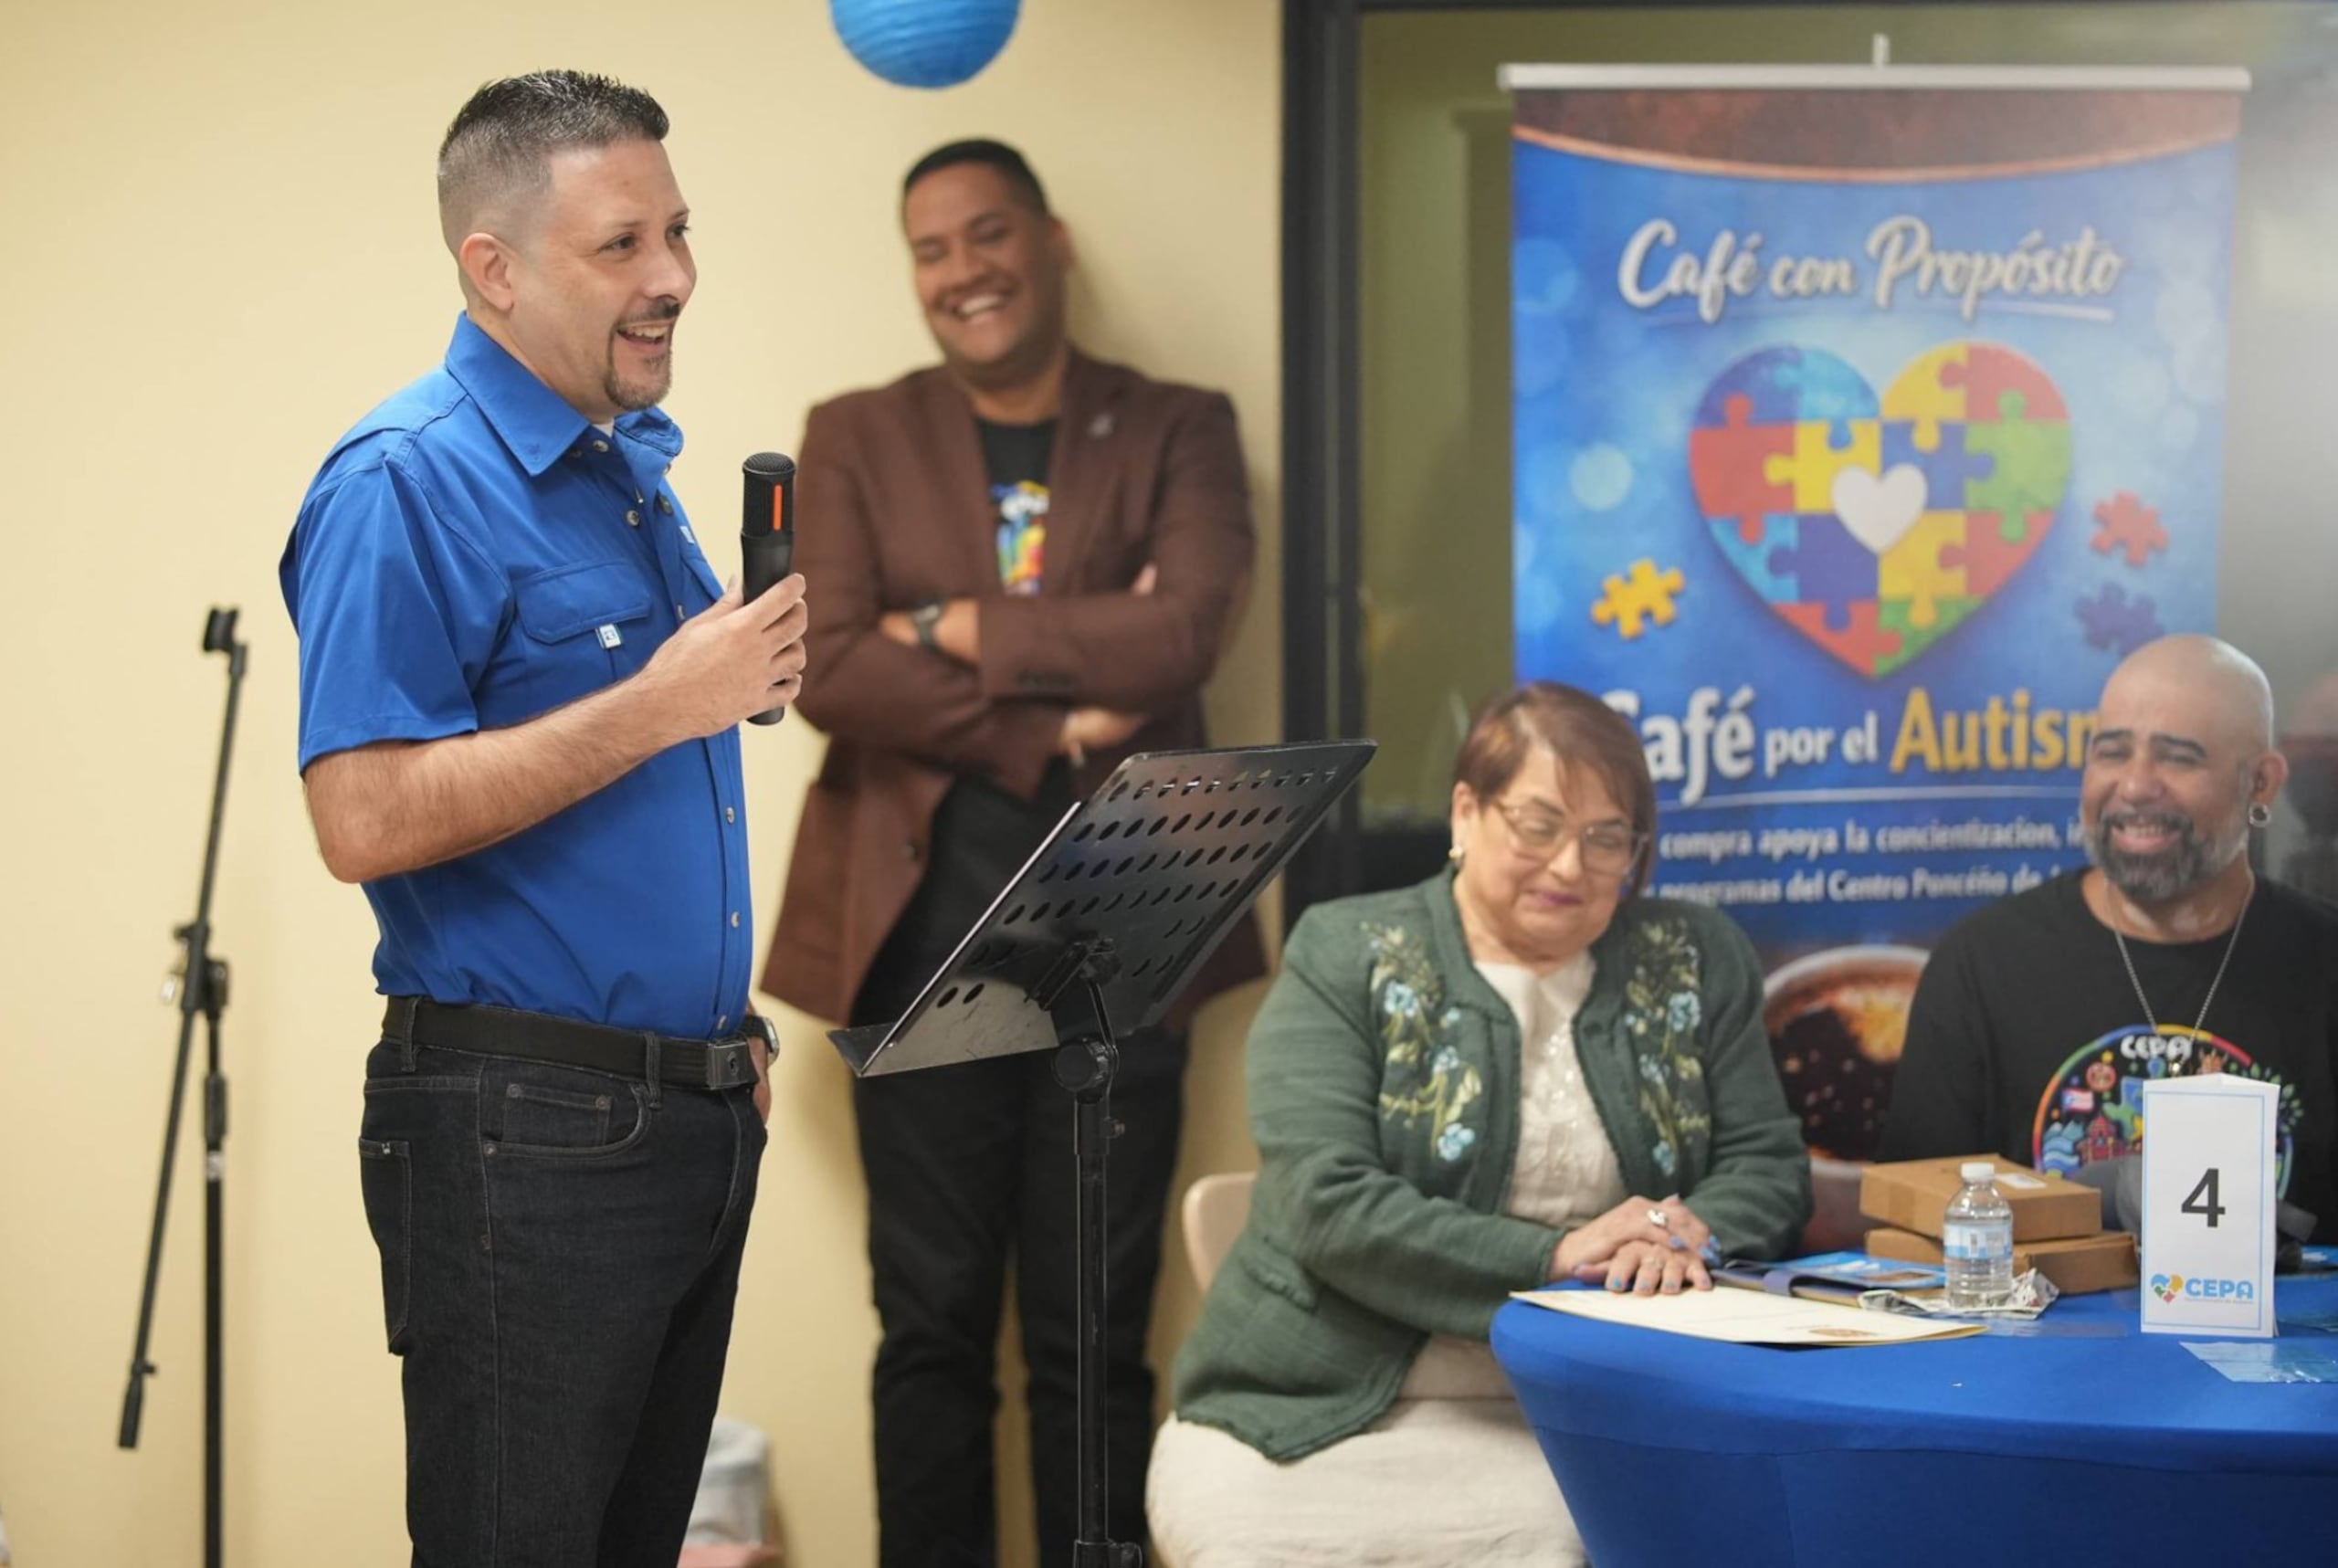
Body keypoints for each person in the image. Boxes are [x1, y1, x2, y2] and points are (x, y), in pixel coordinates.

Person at [279, 71, 808, 1565]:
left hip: (682, 1114)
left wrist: (720, 1030)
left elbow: (626, 803)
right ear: (493, 269)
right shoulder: (408, 482)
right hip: (528, 1136)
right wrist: (667, 695)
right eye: (622, 246)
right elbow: (362, 812)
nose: (674, 281)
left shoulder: (623, 472)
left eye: (680, 234)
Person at [760, 139, 1260, 1566]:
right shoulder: (854, 431)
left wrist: (958, 624)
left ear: (1052, 240)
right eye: (931, 249)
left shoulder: (1179, 424)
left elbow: (1185, 634)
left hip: (1127, 934)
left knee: (1092, 1333)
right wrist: (1045, 724)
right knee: (928, 1330)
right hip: (916, 934)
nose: (963, 271)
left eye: (988, 236)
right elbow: (832, 666)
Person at [1152, 681, 1810, 1566]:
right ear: (1466, 812)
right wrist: (1556, 1254)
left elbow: (1765, 1163)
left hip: (1587, 1410)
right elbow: (1324, 1201)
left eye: (1605, 837)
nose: (1570, 866)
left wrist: (1674, 1231)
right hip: (1313, 1415)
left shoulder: (1692, 955)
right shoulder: (1346, 951)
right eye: (1538, 825)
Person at [1882, 635, 2337, 1239]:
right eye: (2112, 752)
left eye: (2178, 757)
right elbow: (1908, 1210)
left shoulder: (2324, 962)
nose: (2135, 785)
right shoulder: (1983, 962)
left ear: (2260, 783)